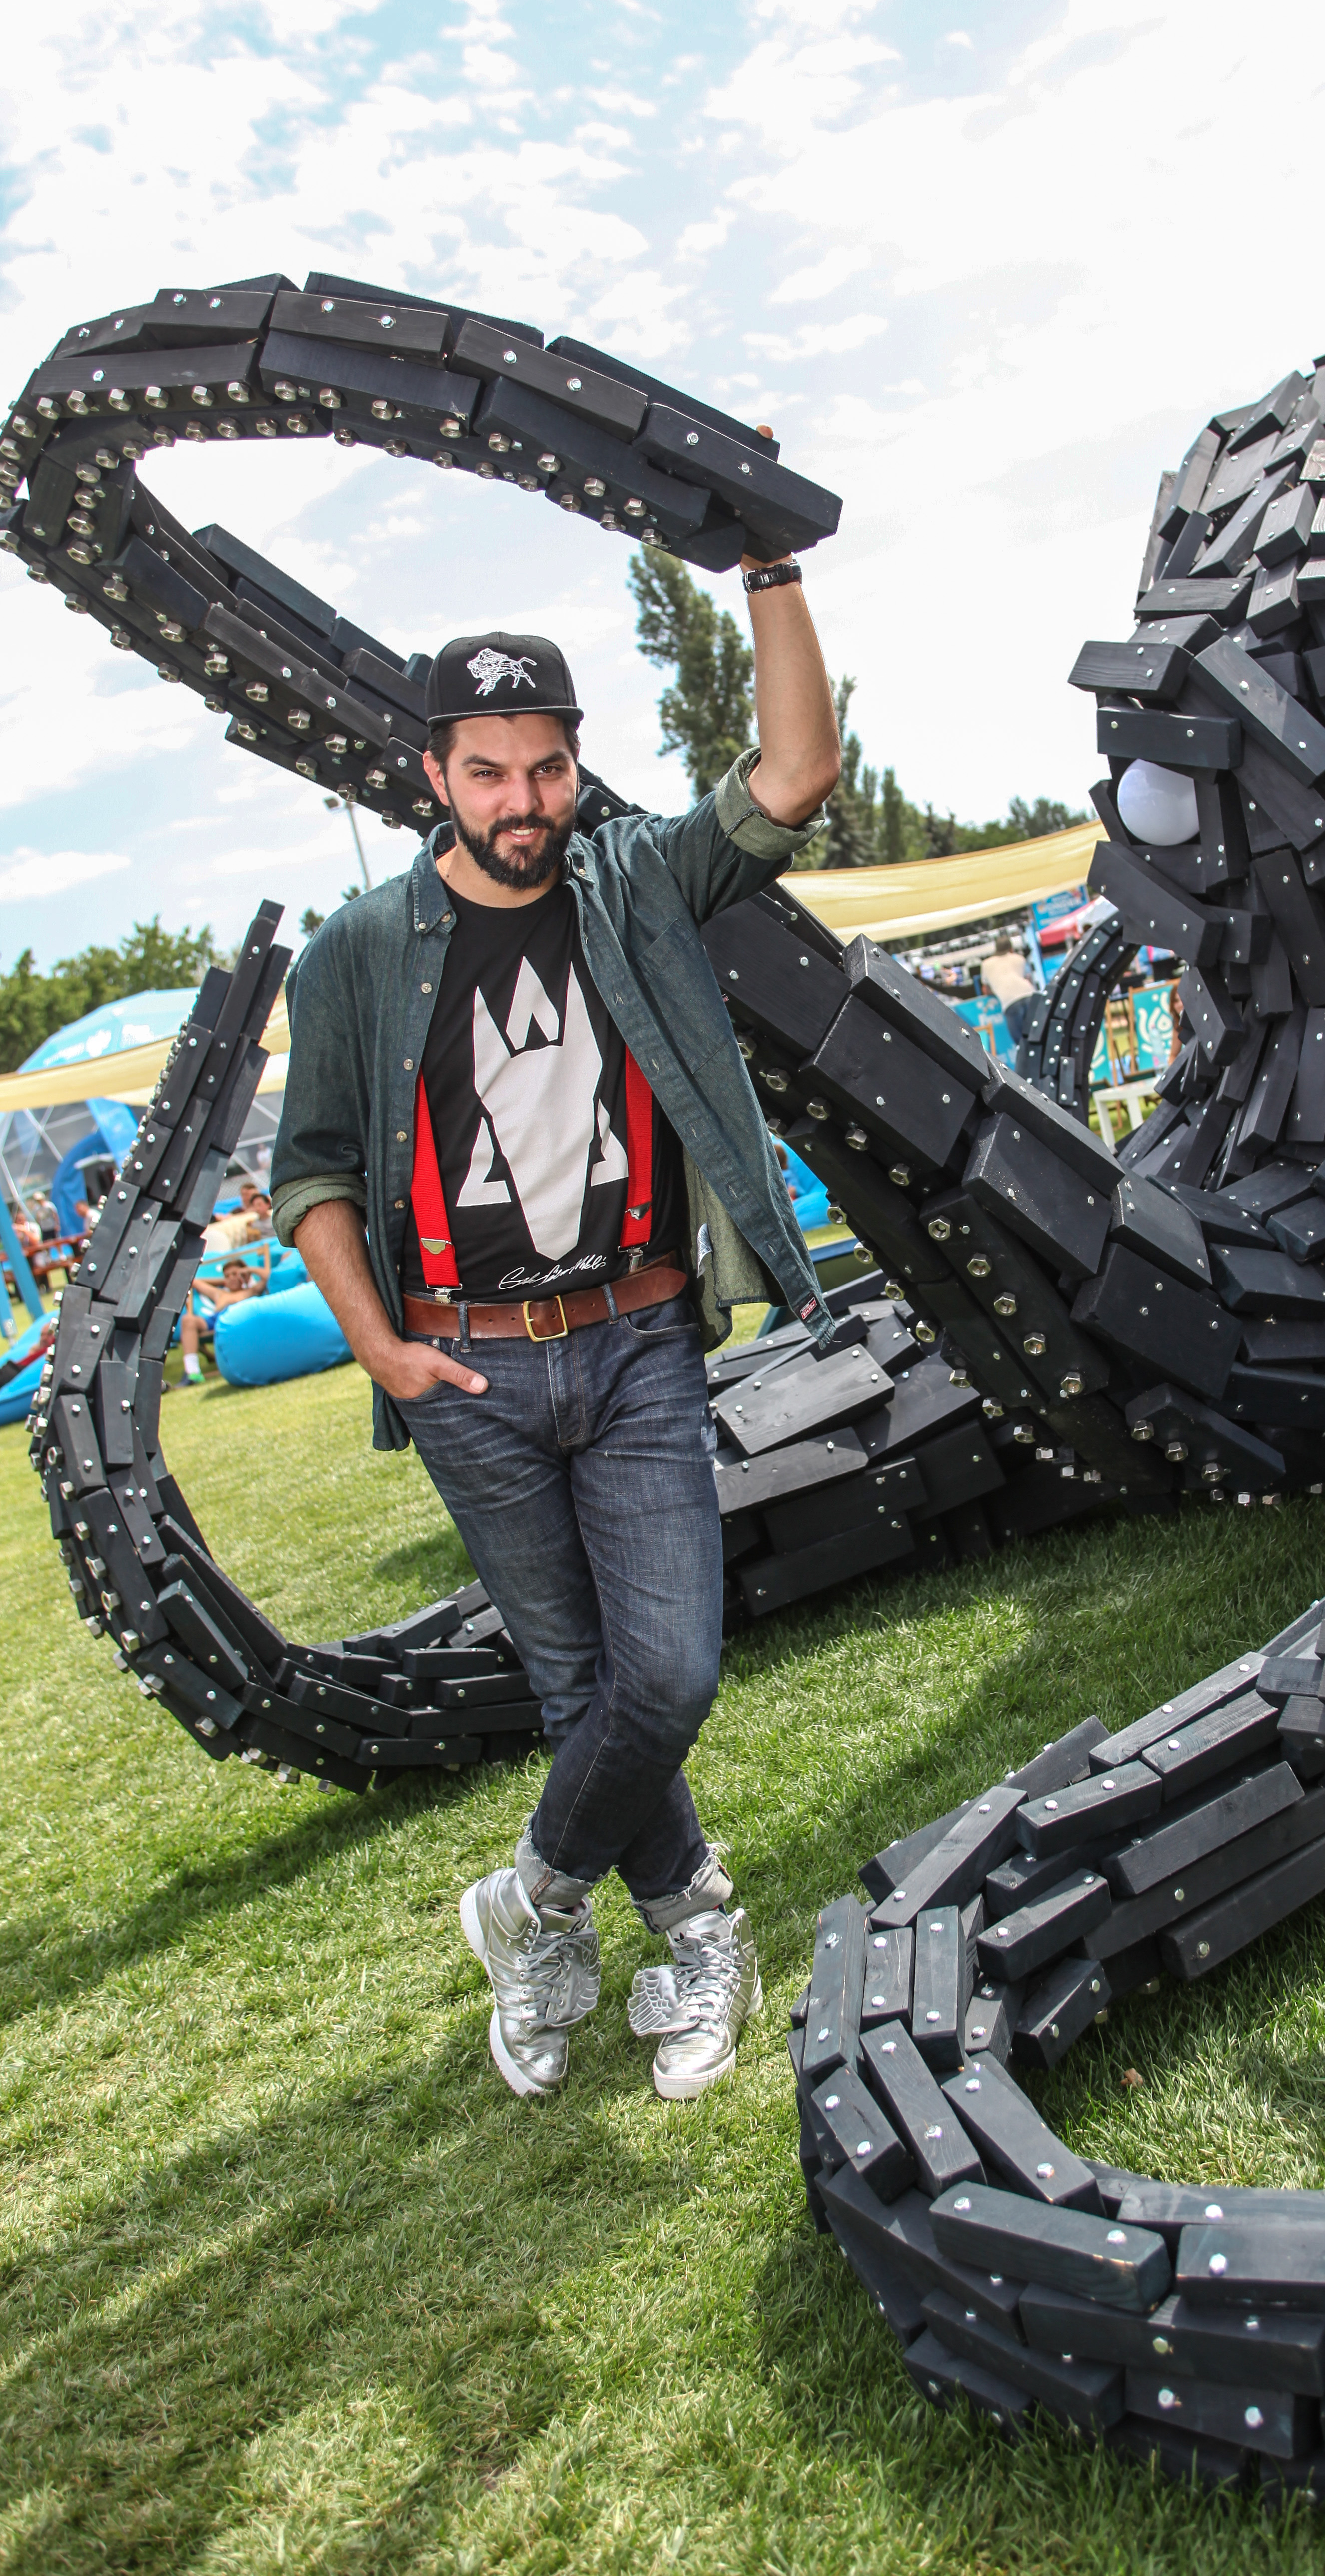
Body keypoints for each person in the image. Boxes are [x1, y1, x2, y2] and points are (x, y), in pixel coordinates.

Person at [271, 536, 840, 2107]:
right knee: (579, 1684)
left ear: (577, 760)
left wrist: (770, 564)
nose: (524, 802)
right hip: (465, 1366)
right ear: (436, 775)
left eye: (547, 767)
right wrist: (383, 1349)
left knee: (665, 1675)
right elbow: (312, 1168)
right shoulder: (361, 953)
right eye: (491, 774)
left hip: (642, 1336)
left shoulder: (637, 874)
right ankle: (698, 1936)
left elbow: (796, 767)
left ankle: (532, 1903)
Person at [178, 1246, 272, 1384]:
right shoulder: (220, 1294)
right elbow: (194, 1281)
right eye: (227, 1276)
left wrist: (249, 1271)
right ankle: (193, 1374)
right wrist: (224, 1281)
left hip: (239, 1321)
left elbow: (268, 1276)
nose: (231, 1278)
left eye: (235, 1274)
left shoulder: (251, 1291)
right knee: (188, 1321)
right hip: (217, 1321)